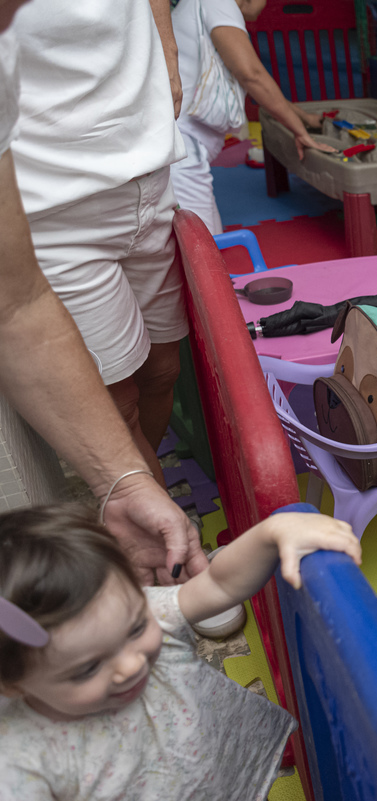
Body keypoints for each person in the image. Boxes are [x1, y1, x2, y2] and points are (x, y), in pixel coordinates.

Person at [0, 8, 205, 585]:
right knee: (120, 402)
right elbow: (14, 306)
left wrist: (163, 40)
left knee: (163, 368)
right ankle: (171, 553)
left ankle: (145, 491)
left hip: (149, 173)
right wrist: (117, 480)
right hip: (55, 203)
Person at [0, 504, 360, 800]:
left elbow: (218, 584)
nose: (131, 664)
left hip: (228, 777)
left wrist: (273, 533)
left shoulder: (129, 614)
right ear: (13, 684)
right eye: (87, 668)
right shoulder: (22, 762)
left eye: (137, 629)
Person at [169, 0, 335, 235]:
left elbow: (254, 79)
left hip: (181, 148)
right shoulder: (219, 3)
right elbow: (251, 75)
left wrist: (303, 117)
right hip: (182, 152)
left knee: (208, 244)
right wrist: (300, 131)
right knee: (206, 251)